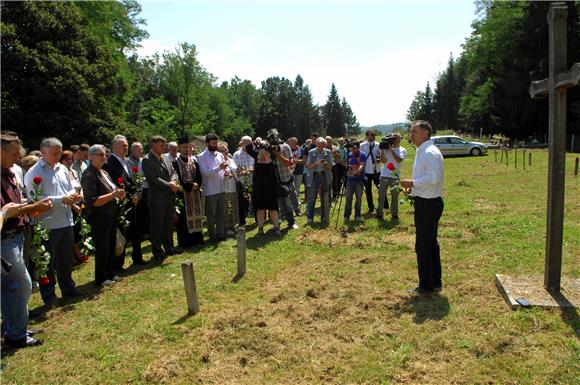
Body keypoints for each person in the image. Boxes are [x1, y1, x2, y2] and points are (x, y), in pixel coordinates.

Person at [2, 132, 53, 348]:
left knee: (9, 287)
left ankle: (15, 328)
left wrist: (27, 207)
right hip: (6, 239)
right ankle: (16, 334)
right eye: (14, 153)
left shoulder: (9, 173)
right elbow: (6, 210)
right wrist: (31, 207)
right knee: (22, 283)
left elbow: (14, 204)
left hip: (16, 235)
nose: (17, 158)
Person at [24, 137, 83, 306]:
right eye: (54, 153)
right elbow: (34, 199)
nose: (58, 156)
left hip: (66, 220)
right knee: (47, 262)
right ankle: (49, 295)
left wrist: (73, 195)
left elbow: (69, 187)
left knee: (65, 260)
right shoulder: (35, 172)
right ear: (43, 153)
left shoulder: (62, 169)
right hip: (47, 224)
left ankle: (68, 288)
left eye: (59, 152)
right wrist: (60, 199)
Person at [401, 121, 445, 295]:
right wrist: (413, 188)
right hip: (426, 202)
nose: (411, 135)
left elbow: (434, 178)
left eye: (414, 131)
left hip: (429, 204)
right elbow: (425, 177)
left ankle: (426, 285)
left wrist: (412, 183)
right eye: (410, 131)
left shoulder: (430, 152)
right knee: (430, 244)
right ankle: (434, 282)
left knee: (423, 246)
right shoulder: (423, 150)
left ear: (425, 133)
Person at [82, 145, 126, 287]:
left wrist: (119, 194)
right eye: (100, 155)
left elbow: (112, 190)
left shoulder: (104, 173)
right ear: (90, 157)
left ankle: (110, 272)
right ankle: (100, 277)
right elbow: (92, 200)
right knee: (102, 247)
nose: (104, 157)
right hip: (99, 216)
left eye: (105, 154)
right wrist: (113, 194)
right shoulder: (89, 174)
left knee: (110, 244)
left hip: (111, 214)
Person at [104, 135, 146, 270]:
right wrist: (129, 196)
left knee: (137, 230)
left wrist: (138, 194)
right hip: (122, 203)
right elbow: (114, 184)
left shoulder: (127, 161)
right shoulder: (109, 164)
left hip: (134, 201)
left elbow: (136, 180)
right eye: (123, 145)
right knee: (121, 233)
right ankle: (118, 264)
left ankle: (137, 257)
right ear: (114, 147)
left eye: (127, 145)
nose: (126, 147)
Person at [142, 135, 183, 259]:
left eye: (165, 145)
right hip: (157, 199)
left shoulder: (165, 158)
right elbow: (153, 179)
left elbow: (173, 171)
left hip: (168, 197)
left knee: (168, 224)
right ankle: (158, 251)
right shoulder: (147, 160)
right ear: (153, 145)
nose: (164, 147)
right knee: (157, 226)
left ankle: (169, 248)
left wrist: (174, 181)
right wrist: (169, 185)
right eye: (161, 145)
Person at [245, 139, 281, 235]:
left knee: (273, 208)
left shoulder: (272, 156)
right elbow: (248, 148)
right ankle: (260, 229)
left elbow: (272, 168)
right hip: (258, 186)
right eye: (261, 148)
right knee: (260, 208)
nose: (262, 150)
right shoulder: (256, 155)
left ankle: (276, 228)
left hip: (270, 187)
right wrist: (256, 142)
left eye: (264, 148)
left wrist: (266, 155)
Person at [173, 138, 204, 247]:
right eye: (184, 147)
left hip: (195, 193)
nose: (187, 149)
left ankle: (197, 239)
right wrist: (190, 186)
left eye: (188, 147)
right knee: (184, 218)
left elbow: (199, 175)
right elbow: (177, 179)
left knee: (197, 215)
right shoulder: (176, 162)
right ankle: (186, 242)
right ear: (179, 148)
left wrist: (197, 184)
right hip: (183, 194)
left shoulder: (194, 160)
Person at [60, 150, 88, 266]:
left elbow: (79, 186)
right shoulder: (61, 173)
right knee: (72, 231)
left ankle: (79, 252)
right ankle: (74, 254)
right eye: (67, 159)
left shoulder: (74, 171)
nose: (70, 161)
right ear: (62, 161)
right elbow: (64, 193)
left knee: (79, 229)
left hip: (79, 201)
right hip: (70, 205)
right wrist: (74, 205)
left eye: (71, 159)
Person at [197, 133, 227, 241]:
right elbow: (205, 173)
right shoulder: (201, 157)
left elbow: (223, 169)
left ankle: (221, 233)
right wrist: (219, 168)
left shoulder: (219, 155)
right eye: (213, 143)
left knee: (221, 213)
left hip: (221, 188)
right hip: (210, 190)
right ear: (207, 143)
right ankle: (212, 235)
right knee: (211, 215)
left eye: (216, 143)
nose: (215, 145)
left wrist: (226, 173)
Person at [268, 130, 297, 230]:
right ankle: (277, 223)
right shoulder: (267, 149)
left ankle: (291, 222)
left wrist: (278, 155)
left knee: (287, 202)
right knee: (276, 204)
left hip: (285, 179)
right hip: (273, 180)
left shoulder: (285, 146)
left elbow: (289, 163)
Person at [377, 133, 407, 220]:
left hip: (395, 176)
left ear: (399, 139)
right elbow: (383, 161)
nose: (393, 140)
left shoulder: (402, 150)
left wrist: (391, 149)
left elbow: (398, 160)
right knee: (381, 195)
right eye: (392, 138)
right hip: (384, 175)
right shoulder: (386, 149)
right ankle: (379, 213)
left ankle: (394, 214)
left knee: (395, 196)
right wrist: (382, 150)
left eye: (395, 138)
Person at [306, 137, 333, 224]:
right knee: (312, 197)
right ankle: (310, 218)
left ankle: (324, 217)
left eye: (322, 145)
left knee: (325, 196)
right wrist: (316, 163)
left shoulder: (328, 152)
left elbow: (330, 167)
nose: (321, 147)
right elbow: (308, 166)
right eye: (319, 146)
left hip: (325, 175)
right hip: (314, 176)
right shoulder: (311, 152)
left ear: (324, 144)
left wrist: (326, 163)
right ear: (316, 144)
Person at [128, 141, 149, 241]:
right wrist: (142, 178)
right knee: (138, 214)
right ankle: (140, 233)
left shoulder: (143, 160)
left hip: (144, 189)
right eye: (139, 149)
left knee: (145, 212)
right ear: (132, 150)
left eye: (142, 148)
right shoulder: (129, 162)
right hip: (135, 191)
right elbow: (133, 178)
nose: (141, 150)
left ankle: (145, 231)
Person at [232, 136, 255, 226]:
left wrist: (251, 169)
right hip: (242, 182)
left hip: (253, 180)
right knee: (242, 202)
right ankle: (242, 221)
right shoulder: (236, 154)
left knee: (256, 201)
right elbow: (236, 168)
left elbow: (256, 165)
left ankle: (258, 220)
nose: (248, 144)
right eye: (246, 143)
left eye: (250, 142)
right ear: (241, 144)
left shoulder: (254, 153)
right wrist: (244, 170)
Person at [219, 143, 239, 235]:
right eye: (223, 150)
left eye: (226, 149)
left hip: (233, 187)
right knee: (226, 209)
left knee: (233, 208)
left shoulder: (231, 160)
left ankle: (233, 226)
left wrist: (236, 174)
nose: (225, 152)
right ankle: (226, 228)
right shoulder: (218, 162)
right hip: (223, 188)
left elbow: (236, 171)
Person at [343, 141, 367, 222]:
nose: (353, 150)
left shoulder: (363, 155)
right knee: (348, 198)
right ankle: (346, 216)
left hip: (359, 180)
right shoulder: (349, 154)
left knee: (358, 198)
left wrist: (358, 171)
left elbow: (362, 165)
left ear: (358, 148)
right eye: (352, 148)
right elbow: (347, 164)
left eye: (355, 148)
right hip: (350, 180)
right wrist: (348, 168)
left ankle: (357, 215)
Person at [360, 129, 381, 213]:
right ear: (367, 136)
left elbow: (381, 155)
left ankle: (385, 206)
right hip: (366, 171)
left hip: (376, 169)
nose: (373, 136)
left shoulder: (378, 145)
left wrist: (379, 158)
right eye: (371, 135)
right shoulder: (362, 145)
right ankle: (371, 207)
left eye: (374, 134)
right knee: (368, 190)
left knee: (381, 188)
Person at [288, 137, 304, 216]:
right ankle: (292, 203)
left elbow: (304, 160)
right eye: (292, 141)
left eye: (294, 141)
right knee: (291, 189)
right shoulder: (288, 149)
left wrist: (296, 161)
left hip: (299, 171)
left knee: (297, 187)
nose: (293, 143)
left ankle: (296, 202)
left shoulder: (301, 149)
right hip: (290, 172)